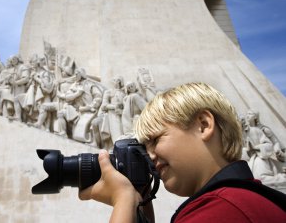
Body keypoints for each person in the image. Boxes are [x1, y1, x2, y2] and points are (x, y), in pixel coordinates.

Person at [79, 82, 286, 223]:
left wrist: (123, 199)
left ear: (203, 126)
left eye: (155, 139)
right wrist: (139, 202)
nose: (149, 155)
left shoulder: (221, 210)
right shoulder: (244, 199)